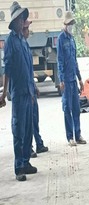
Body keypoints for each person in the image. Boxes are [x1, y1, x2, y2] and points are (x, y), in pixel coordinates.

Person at [0, 1, 37, 181]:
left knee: (28, 129)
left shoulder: (23, 41)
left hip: (28, 92)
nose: (23, 20)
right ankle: (19, 167)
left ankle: (26, 162)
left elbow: (29, 67)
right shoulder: (10, 42)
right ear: (15, 21)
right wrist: (3, 93)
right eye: (20, 18)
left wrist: (34, 88)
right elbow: (7, 69)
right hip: (18, 92)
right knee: (19, 130)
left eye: (23, 17)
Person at [57, 11, 86, 147]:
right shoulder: (61, 39)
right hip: (66, 81)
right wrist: (61, 80)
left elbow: (74, 61)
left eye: (72, 24)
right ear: (65, 24)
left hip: (73, 80)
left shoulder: (72, 39)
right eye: (69, 24)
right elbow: (60, 61)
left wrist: (79, 78)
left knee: (76, 108)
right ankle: (70, 137)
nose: (71, 26)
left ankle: (78, 135)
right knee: (67, 109)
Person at [23, 19, 49, 158]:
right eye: (27, 29)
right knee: (26, 122)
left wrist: (34, 86)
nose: (29, 31)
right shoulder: (18, 45)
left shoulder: (25, 45)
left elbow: (29, 70)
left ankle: (38, 143)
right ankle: (29, 148)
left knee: (34, 118)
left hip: (30, 88)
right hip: (24, 91)